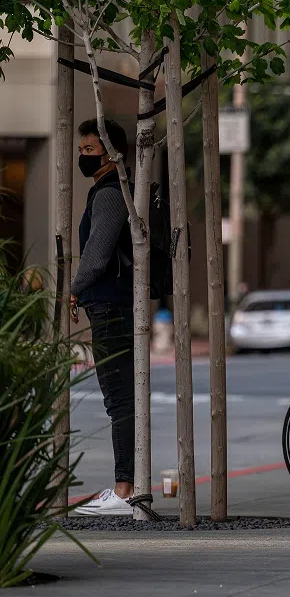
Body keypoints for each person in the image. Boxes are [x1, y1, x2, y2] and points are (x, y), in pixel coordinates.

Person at [70, 118, 136, 516]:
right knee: (121, 397)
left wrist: (75, 288)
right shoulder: (105, 191)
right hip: (111, 304)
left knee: (119, 399)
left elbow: (96, 255)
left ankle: (124, 490)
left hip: (111, 305)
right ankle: (127, 485)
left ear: (112, 155)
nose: (83, 156)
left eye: (90, 150)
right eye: (80, 150)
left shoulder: (110, 195)